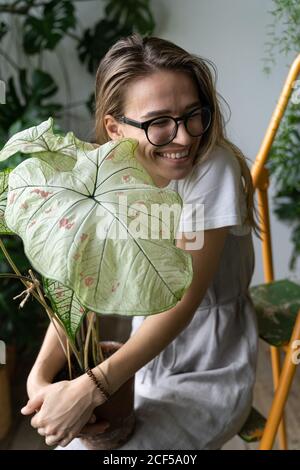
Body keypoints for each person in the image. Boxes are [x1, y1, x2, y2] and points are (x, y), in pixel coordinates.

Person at [21, 33, 260, 450]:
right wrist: (39, 376)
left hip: (209, 368)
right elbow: (81, 282)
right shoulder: (110, 179)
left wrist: (90, 387)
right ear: (115, 128)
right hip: (141, 363)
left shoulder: (210, 167)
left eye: (192, 115)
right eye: (158, 123)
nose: (183, 137)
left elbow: (182, 304)